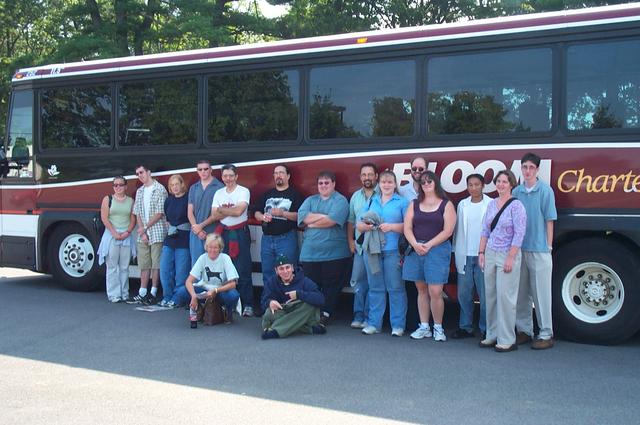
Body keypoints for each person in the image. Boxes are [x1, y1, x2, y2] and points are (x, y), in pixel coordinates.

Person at [402, 170, 456, 342]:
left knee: (436, 291)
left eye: (429, 181)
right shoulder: (414, 204)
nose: (426, 184)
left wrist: (429, 244)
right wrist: (415, 244)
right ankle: (424, 326)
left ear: (435, 183)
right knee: (421, 289)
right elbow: (407, 227)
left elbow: (448, 231)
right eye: (423, 182)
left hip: (437, 250)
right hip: (416, 250)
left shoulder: (446, 204)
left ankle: (438, 328)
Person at [478, 170, 527, 352]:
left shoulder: (517, 206)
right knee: (490, 295)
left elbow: (519, 233)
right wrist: (481, 252)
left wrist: (511, 257)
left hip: (507, 254)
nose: (500, 184)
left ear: (511, 184)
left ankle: (507, 339)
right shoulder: (491, 204)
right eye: (498, 181)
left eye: (504, 181)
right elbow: (485, 230)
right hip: (490, 252)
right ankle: (492, 334)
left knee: (506, 297)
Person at [513, 152, 558, 350]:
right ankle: (524, 331)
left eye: (531, 167)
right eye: (525, 167)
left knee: (541, 294)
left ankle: (546, 333)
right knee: (521, 293)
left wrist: (548, 247)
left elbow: (550, 220)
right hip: (519, 249)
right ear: (521, 169)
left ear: (538, 169)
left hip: (540, 250)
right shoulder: (516, 192)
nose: (528, 171)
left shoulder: (545, 191)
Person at [357, 170, 409, 336]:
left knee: (396, 288)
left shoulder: (402, 202)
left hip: (393, 250)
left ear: (395, 184)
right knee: (375, 288)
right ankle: (374, 324)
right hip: (373, 251)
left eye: (390, 182)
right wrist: (366, 226)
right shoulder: (372, 201)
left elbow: (409, 226)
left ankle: (398, 326)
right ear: (379, 184)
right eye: (384, 182)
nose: (386, 185)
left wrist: (392, 227)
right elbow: (359, 224)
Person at [298, 170, 351, 326]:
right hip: (310, 254)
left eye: (327, 182)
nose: (323, 185)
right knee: (310, 286)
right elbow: (302, 217)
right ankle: (311, 314)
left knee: (330, 287)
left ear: (333, 184)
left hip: (334, 254)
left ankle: (325, 314)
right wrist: (323, 216)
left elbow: (332, 221)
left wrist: (313, 222)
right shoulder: (310, 200)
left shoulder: (340, 200)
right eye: (320, 183)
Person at [451, 173, 492, 339]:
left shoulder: (491, 204)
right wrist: (455, 249)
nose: (473, 188)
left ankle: (486, 328)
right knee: (464, 294)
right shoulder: (462, 204)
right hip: (465, 255)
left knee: (485, 295)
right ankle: (465, 327)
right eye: (470, 185)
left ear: (483, 185)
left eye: (477, 184)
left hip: (483, 255)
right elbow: (457, 229)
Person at [210, 164, 254, 316]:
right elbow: (214, 215)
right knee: (223, 269)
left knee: (243, 268)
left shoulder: (243, 191)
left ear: (236, 176)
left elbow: (239, 211)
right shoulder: (218, 193)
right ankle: (229, 304)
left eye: (230, 175)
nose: (228, 179)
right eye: (225, 176)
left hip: (239, 233)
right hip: (223, 234)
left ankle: (247, 304)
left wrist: (222, 209)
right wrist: (230, 210)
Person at [171, 233, 240, 322]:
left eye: (215, 247)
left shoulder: (225, 258)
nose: (212, 250)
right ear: (206, 247)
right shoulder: (202, 258)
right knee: (181, 292)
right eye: (210, 247)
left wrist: (215, 290)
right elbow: (189, 281)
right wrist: (193, 296)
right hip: (205, 289)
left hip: (220, 290)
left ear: (220, 248)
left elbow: (233, 284)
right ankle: (200, 308)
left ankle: (227, 311)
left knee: (233, 295)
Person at [254, 164, 302, 287]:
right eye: (276, 173)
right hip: (267, 239)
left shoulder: (295, 194)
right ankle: (269, 298)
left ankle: (290, 299)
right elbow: (256, 212)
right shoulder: (267, 194)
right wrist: (262, 217)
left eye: (281, 173)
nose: (278, 175)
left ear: (288, 176)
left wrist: (282, 213)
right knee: (268, 273)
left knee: (289, 274)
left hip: (286, 239)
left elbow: (300, 216)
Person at [260, 254, 327, 339]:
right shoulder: (272, 282)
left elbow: (321, 299)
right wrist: (269, 302)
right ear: (276, 271)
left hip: (303, 312)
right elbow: (263, 303)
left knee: (310, 306)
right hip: (286, 312)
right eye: (281, 269)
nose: (285, 271)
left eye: (287, 267)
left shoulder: (304, 280)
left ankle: (276, 331)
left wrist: (298, 294)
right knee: (268, 313)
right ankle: (309, 329)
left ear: (292, 268)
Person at [128, 165, 167, 304]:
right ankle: (142, 292)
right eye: (137, 173)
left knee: (156, 263)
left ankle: (153, 292)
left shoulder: (160, 189)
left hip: (157, 231)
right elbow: (137, 212)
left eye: (142, 172)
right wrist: (142, 230)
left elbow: (159, 213)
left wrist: (145, 227)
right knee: (144, 264)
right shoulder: (139, 191)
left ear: (149, 172)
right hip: (143, 233)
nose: (140, 175)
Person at [347, 163, 379, 329]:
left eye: (370, 174)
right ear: (360, 177)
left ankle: (369, 317)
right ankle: (358, 315)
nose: (367, 178)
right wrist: (350, 241)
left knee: (374, 284)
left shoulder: (382, 194)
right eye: (364, 175)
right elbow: (351, 221)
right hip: (359, 248)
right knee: (358, 283)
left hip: (375, 247)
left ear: (376, 176)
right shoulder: (355, 196)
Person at [97, 176, 136, 303]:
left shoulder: (131, 201)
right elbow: (104, 218)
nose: (118, 187)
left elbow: (133, 219)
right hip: (111, 236)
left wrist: (127, 232)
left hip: (126, 236)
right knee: (112, 266)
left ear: (126, 186)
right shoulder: (107, 199)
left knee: (124, 267)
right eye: (115, 185)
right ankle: (114, 294)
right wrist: (114, 232)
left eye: (120, 184)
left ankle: (124, 293)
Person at [158, 174, 191, 307]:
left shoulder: (188, 199)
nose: (175, 187)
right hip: (170, 237)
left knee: (181, 271)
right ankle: (167, 296)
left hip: (184, 238)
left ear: (182, 184)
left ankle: (178, 298)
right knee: (165, 269)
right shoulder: (168, 201)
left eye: (177, 184)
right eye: (172, 185)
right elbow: (167, 219)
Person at [187, 159, 223, 266]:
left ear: (211, 170)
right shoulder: (193, 188)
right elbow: (189, 212)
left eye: (206, 169)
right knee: (197, 265)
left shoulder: (220, 187)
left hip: (213, 233)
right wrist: (197, 229)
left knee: (213, 265)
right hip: (196, 233)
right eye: (200, 169)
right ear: (197, 171)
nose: (203, 172)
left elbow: (218, 213)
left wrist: (200, 226)